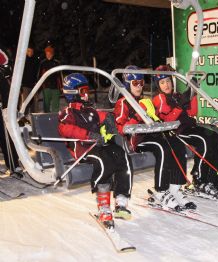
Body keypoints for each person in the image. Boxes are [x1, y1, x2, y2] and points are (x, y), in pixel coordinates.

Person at [113, 65, 196, 210]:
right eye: (135, 83)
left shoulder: (145, 100)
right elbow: (122, 128)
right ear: (127, 84)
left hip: (151, 134)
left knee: (176, 143)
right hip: (137, 140)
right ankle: (161, 190)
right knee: (162, 148)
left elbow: (154, 117)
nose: (139, 86)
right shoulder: (123, 103)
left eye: (141, 83)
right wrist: (138, 115)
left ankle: (175, 187)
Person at [58, 73, 133, 226]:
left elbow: (103, 115)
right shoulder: (68, 113)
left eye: (87, 91)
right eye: (83, 91)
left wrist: (109, 120)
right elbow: (65, 129)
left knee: (121, 155)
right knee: (104, 162)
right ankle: (104, 206)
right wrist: (88, 134)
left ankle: (121, 200)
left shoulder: (90, 110)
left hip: (99, 145)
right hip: (84, 150)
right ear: (73, 94)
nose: (86, 95)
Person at [152, 65, 218, 198]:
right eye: (162, 82)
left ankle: (214, 176)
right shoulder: (160, 98)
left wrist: (192, 93)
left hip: (189, 126)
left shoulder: (176, 95)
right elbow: (167, 118)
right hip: (176, 130)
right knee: (204, 141)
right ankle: (199, 179)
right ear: (158, 85)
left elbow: (192, 112)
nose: (166, 85)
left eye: (168, 81)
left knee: (215, 137)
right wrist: (180, 105)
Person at [38, 46, 62, 113]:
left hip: (55, 87)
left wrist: (61, 86)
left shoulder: (57, 63)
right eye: (47, 54)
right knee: (46, 104)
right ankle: (46, 118)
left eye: (50, 53)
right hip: (46, 87)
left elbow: (60, 76)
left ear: (52, 54)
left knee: (55, 104)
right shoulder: (43, 63)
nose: (48, 55)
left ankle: (55, 117)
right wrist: (40, 86)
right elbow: (39, 76)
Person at [21, 45, 39, 113]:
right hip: (25, 84)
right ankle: (23, 115)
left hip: (34, 84)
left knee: (34, 102)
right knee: (25, 102)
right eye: (28, 51)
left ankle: (34, 115)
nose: (30, 52)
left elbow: (37, 72)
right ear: (26, 51)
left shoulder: (35, 61)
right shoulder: (22, 61)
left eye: (31, 51)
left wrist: (36, 81)